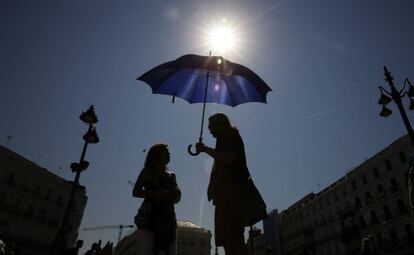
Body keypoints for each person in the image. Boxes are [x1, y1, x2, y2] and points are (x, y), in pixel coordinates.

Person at [195, 113, 255, 255]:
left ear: (221, 125)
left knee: (233, 238)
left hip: (231, 194)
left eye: (212, 127)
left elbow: (229, 158)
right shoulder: (225, 138)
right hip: (226, 195)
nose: (210, 130)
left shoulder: (230, 136)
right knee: (229, 239)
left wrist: (205, 150)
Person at [133, 143, 181, 255]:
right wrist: (156, 193)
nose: (169, 154)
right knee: (148, 250)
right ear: (157, 155)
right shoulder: (147, 171)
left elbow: (176, 200)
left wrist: (177, 194)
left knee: (170, 251)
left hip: (168, 218)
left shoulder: (172, 175)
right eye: (166, 152)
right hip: (150, 218)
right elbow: (135, 192)